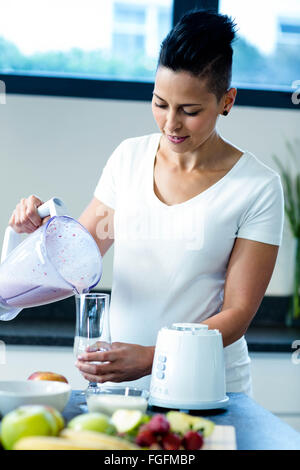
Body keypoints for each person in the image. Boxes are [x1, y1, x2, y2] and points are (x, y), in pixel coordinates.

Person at [10, 10, 284, 395]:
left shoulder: (258, 187)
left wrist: (154, 357)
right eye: (160, 103)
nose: (170, 123)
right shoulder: (129, 158)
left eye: (190, 111)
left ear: (227, 101)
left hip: (207, 388)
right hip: (118, 385)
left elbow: (237, 315)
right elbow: (75, 260)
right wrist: (35, 234)